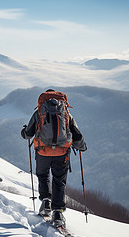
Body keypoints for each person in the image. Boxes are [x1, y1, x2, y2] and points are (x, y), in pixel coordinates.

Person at [21, 89, 86, 227]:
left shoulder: (39, 113)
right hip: (62, 153)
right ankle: (57, 213)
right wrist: (82, 147)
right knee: (59, 180)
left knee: (43, 175)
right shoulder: (66, 113)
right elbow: (77, 135)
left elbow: (28, 134)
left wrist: (24, 131)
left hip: (43, 151)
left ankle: (45, 202)